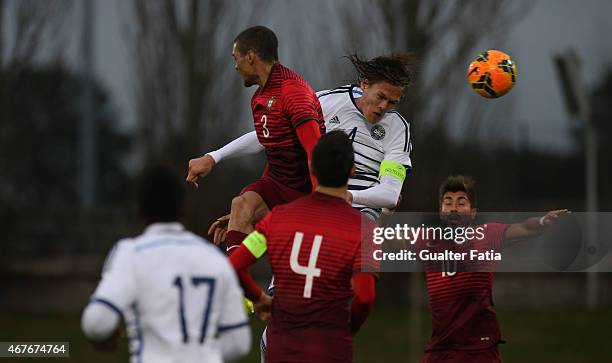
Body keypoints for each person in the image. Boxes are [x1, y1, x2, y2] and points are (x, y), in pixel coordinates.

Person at [205, 52, 416, 246]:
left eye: (392, 102)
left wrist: (348, 196)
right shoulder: (326, 102)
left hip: (361, 209)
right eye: (381, 97)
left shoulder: (398, 129)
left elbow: (390, 193)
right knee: (242, 209)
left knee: (338, 251)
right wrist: (215, 156)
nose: (384, 107)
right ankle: (249, 283)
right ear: (365, 84)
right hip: (314, 196)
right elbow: (267, 136)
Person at [229, 131, 378, 363]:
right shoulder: (366, 230)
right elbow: (365, 297)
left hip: (282, 348)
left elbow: (235, 264)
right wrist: (348, 329)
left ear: (313, 170)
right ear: (352, 170)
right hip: (331, 349)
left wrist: (258, 297)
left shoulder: (277, 218)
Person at [81, 165, 250, 363]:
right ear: (183, 209)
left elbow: (97, 322)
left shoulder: (130, 254)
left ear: (139, 211)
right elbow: (239, 342)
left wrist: (102, 337)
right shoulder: (214, 258)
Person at [186, 25, 325, 252]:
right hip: (280, 184)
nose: (235, 66)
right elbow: (269, 146)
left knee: (289, 259)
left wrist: (321, 201)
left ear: (250, 56)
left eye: (236, 58)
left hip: (306, 190)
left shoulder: (293, 92)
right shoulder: (260, 96)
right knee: (240, 206)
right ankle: (240, 285)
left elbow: (315, 151)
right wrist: (250, 211)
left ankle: (263, 278)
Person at [419, 175, 568, 363]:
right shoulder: (426, 240)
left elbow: (524, 228)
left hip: (480, 349)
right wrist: (384, 212)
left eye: (461, 202)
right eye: (448, 202)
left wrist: (541, 222)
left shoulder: (488, 235)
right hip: (442, 348)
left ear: (473, 212)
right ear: (441, 211)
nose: (454, 208)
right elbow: (387, 240)